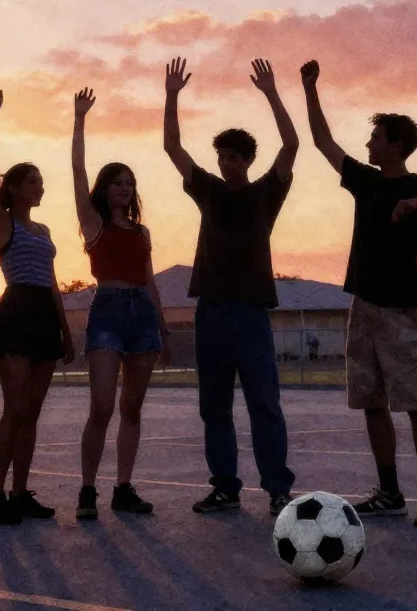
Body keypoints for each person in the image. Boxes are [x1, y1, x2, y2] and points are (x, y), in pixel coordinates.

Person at [300, 58, 417, 528]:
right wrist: (310, 87)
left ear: (395, 145)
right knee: (371, 402)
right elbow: (322, 141)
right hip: (362, 306)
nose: (368, 144)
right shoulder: (363, 180)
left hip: (402, 311)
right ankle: (389, 492)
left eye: (376, 138)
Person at [162, 57, 300, 517]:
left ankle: (278, 487)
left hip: (250, 312)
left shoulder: (265, 193)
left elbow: (292, 144)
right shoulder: (208, 191)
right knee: (214, 407)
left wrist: (271, 92)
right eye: (220, 155)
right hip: (212, 312)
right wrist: (172, 95)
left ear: (247, 161)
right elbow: (172, 147)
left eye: (232, 156)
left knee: (264, 404)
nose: (224, 163)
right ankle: (225, 486)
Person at [69, 87, 172, 520]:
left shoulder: (142, 233)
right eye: (118, 182)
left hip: (142, 317)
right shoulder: (93, 224)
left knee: (132, 407)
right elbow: (77, 172)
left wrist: (163, 328)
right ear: (105, 188)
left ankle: (123, 488)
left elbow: (148, 281)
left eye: (130, 183)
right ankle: (87, 491)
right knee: (103, 406)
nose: (125, 188)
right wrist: (79, 120)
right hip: (107, 311)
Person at [0, 79, 77, 526]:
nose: (40, 187)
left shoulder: (45, 232)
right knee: (14, 410)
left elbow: (54, 282)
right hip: (17, 312)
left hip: (44, 315)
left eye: (41, 181)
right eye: (33, 181)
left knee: (33, 413)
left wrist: (66, 328)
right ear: (16, 188)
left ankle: (20, 493)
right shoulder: (3, 225)